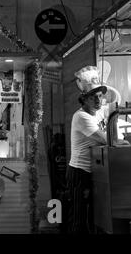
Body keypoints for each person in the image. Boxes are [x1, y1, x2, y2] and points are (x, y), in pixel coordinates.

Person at [66, 66, 108, 234]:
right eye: (93, 97)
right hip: (79, 173)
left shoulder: (97, 113)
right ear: (83, 99)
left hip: (92, 172)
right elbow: (106, 139)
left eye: (99, 96)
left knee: (91, 218)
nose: (98, 101)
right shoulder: (81, 116)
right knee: (79, 218)